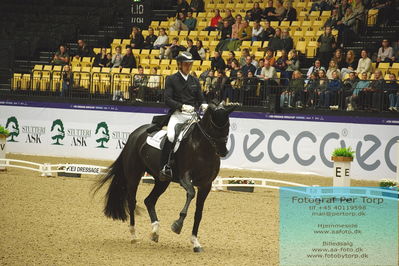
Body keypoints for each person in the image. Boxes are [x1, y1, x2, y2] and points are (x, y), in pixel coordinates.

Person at [159, 51, 207, 181]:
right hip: (178, 115)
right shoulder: (171, 79)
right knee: (171, 136)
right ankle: (166, 166)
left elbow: (200, 97)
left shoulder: (194, 80)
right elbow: (167, 99)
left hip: (193, 116)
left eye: (190, 64)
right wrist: (181, 106)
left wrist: (203, 104)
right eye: (186, 64)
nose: (189, 67)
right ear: (179, 65)